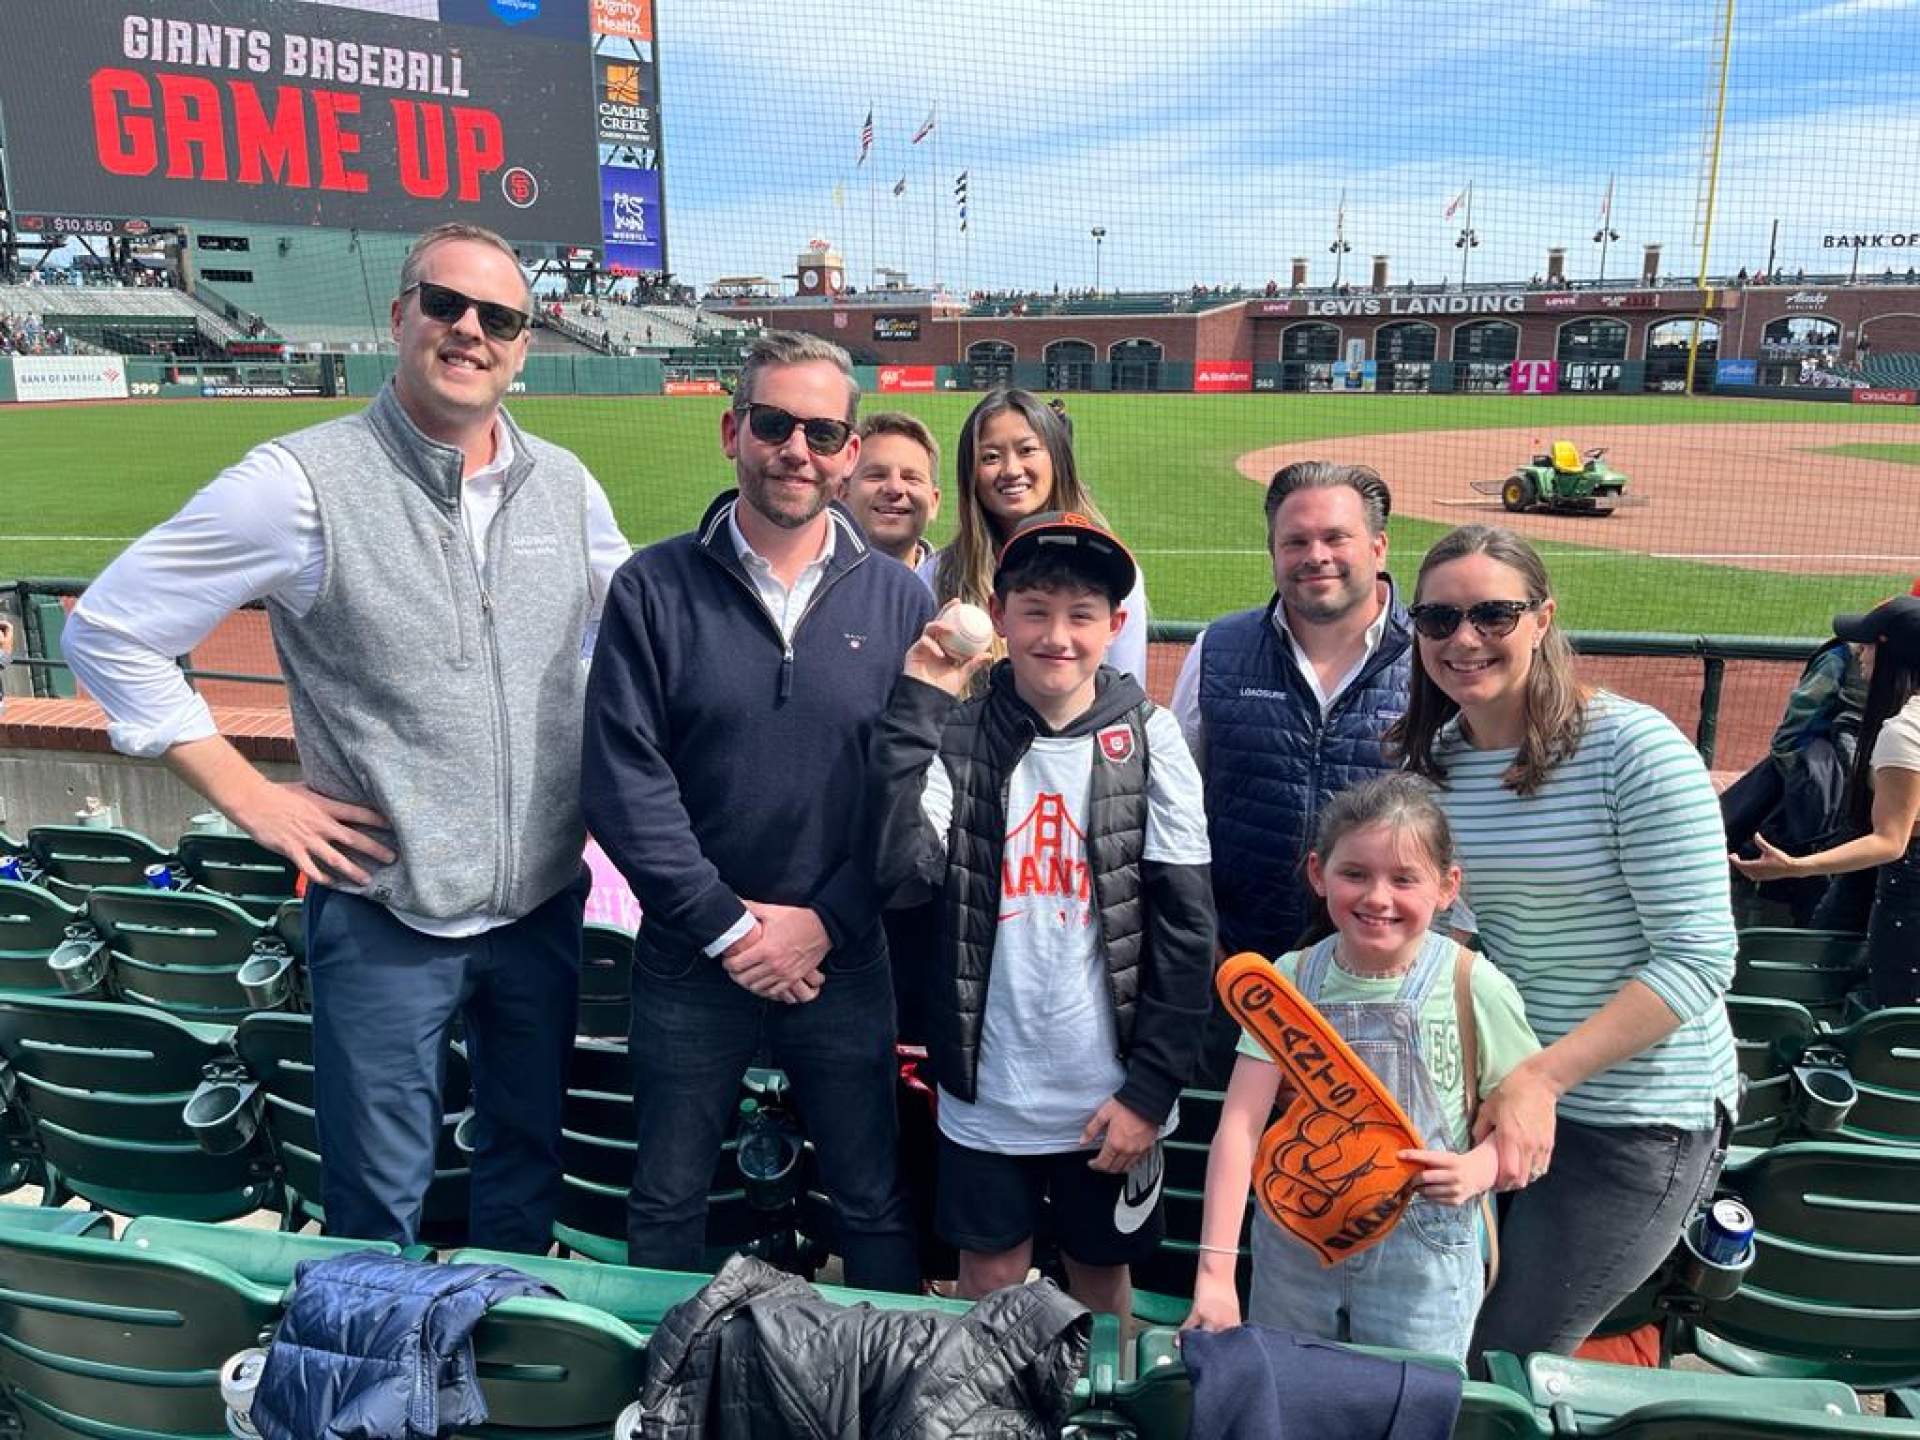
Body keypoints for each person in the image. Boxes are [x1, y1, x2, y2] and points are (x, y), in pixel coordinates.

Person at [63, 223, 631, 1249]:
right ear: (400, 313)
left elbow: (624, 632)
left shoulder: (567, 483)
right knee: (378, 1196)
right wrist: (254, 798)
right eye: (445, 304)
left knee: (526, 1166)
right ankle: (379, 1391)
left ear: (526, 344)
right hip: (384, 909)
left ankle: (503, 1376)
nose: (470, 330)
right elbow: (109, 631)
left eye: (498, 317)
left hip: (541, 903)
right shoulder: (299, 481)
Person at [581, 330, 930, 1291]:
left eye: (823, 432)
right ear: (733, 429)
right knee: (667, 1196)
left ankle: (884, 1386)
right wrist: (731, 930)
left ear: (849, 452)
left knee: (870, 1197)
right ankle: (662, 1389)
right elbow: (622, 779)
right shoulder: (652, 586)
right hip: (693, 955)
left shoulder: (900, 598)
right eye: (774, 424)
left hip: (843, 955)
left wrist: (828, 920)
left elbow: (914, 790)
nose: (797, 450)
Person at [1389, 524, 1738, 1366]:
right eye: (1437, 620)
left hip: (1635, 1120)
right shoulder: (1431, 770)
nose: (1462, 640)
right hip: (1495, 1109)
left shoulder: (1634, 749)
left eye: (1492, 614)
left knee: (1496, 1363)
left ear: (1543, 619)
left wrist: (1542, 1077)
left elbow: (1699, 957)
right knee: (1427, 1336)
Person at [865, 511, 1214, 1317]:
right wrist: (919, 701)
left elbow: (1186, 931)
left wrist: (1151, 1093)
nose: (1057, 635)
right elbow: (897, 874)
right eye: (1035, 611)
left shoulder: (1152, 738)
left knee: (1101, 1288)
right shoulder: (956, 733)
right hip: (990, 1092)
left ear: (1116, 626)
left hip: (1110, 1096)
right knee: (986, 1280)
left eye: (1082, 615)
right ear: (999, 614)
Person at [1183, 774, 1538, 1361]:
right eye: (1356, 874)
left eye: (1404, 879)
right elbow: (1240, 1127)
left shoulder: (1474, 986)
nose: (1378, 897)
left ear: (1448, 887)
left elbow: (1524, 1130)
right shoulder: (1290, 980)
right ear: (1319, 874)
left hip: (1423, 1260)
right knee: (1291, 1398)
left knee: (1405, 1408)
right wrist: (1216, 1273)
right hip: (1296, 1246)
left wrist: (1479, 1168)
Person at [1170, 461, 1412, 1085]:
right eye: (1295, 541)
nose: (1316, 556)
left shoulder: (1433, 660)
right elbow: (1175, 809)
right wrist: (1210, 943)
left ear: (1379, 546)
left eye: (1336, 538)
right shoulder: (1218, 650)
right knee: (1224, 1159)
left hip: (1383, 989)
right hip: (1239, 977)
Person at [1733, 593, 1920, 1007]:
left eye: (1868, 644)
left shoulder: (1903, 732)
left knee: (1888, 1014)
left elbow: (1892, 840)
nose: (1859, 653)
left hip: (1904, 889)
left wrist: (1797, 867)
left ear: (1892, 656)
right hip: (1880, 881)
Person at [925, 388, 1149, 688]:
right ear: (971, 475)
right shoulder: (936, 573)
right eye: (990, 457)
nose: (1011, 470)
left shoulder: (1113, 570)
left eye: (1027, 450)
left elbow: (1127, 690)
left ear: (1057, 459)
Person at [840, 411, 942, 569]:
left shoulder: (969, 586)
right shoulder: (807, 587)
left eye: (911, 478)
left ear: (934, 502)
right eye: (876, 475)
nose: (895, 488)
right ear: (842, 494)